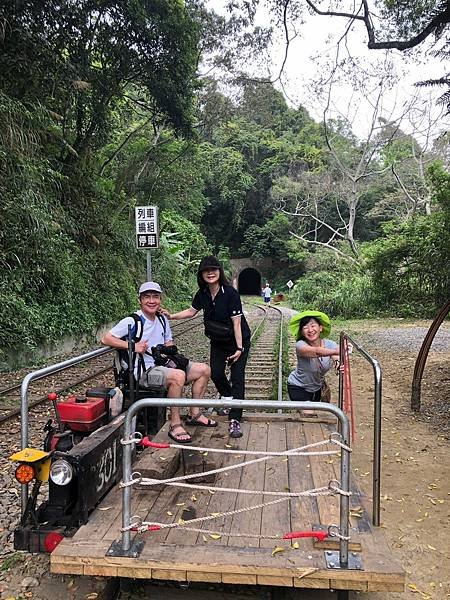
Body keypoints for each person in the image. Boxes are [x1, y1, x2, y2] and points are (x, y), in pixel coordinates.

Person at [101, 281, 215, 444]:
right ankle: (175, 424)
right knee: (178, 376)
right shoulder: (133, 321)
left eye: (155, 297)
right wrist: (133, 346)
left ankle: (194, 414)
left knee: (204, 370)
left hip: (162, 365)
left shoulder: (162, 319)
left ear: (160, 299)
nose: (152, 300)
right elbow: (105, 338)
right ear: (140, 300)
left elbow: (168, 343)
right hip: (143, 372)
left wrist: (168, 352)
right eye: (147, 297)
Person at [164, 256, 251, 438]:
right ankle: (228, 400)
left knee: (237, 378)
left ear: (220, 272)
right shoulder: (202, 293)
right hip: (218, 341)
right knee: (217, 373)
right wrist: (171, 316)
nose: (210, 273)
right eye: (206, 271)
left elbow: (237, 323)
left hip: (237, 341)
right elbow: (191, 311)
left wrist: (239, 349)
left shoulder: (230, 293)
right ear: (201, 275)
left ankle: (235, 419)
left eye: (213, 269)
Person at [287, 310, 339, 407]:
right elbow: (317, 351)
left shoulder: (330, 344)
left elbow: (336, 357)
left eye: (313, 326)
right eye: (305, 327)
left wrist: (338, 362)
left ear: (320, 328)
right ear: (302, 332)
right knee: (308, 413)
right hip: (298, 386)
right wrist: (337, 351)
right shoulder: (300, 345)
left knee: (315, 413)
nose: (310, 330)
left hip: (316, 389)